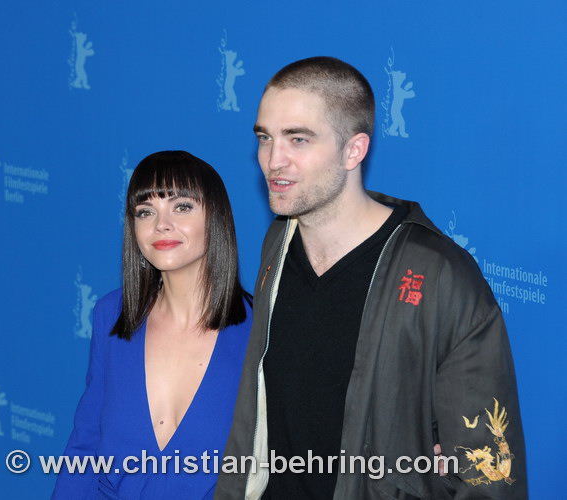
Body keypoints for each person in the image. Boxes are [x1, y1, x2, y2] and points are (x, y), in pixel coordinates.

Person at [215, 57, 527, 499]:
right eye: (265, 138)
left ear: (354, 150)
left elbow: (488, 473)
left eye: (298, 139)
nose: (272, 160)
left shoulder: (441, 274)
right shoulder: (278, 242)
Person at [53, 150, 252, 499]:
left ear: (216, 218)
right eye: (145, 211)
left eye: (182, 207)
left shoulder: (262, 330)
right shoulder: (112, 315)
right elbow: (85, 447)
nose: (161, 224)